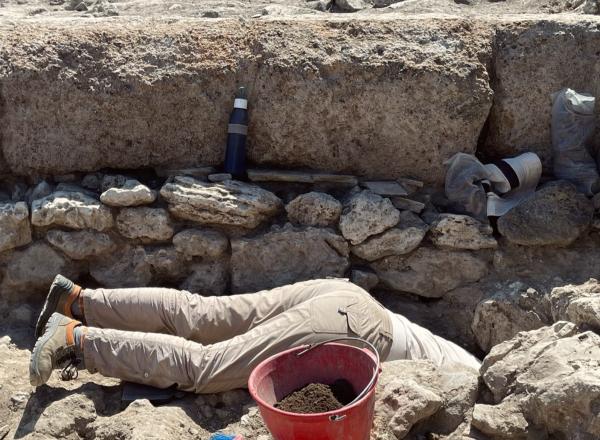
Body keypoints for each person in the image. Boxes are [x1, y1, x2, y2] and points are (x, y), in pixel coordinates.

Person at [30, 275, 481, 393]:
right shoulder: (481, 392)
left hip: (348, 302)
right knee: (205, 368)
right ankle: (77, 340)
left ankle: (77, 300)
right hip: (356, 332)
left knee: (201, 316)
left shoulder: (485, 370)